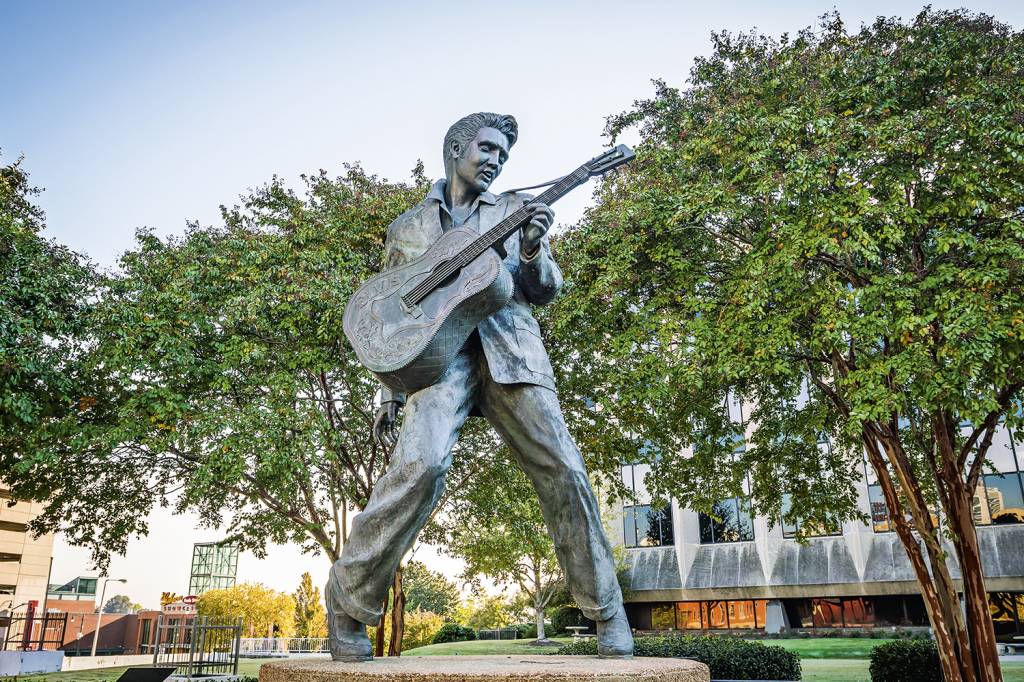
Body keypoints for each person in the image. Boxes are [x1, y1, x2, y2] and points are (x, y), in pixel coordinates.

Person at [327, 112, 632, 660]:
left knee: (562, 467)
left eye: (503, 155)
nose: (495, 160)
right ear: (455, 148)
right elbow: (391, 313)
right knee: (418, 469)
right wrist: (389, 391)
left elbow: (544, 290)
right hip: (439, 363)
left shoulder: (514, 210)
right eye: (487, 148)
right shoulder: (409, 229)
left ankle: (606, 610)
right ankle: (347, 603)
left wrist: (534, 249)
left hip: (511, 351)